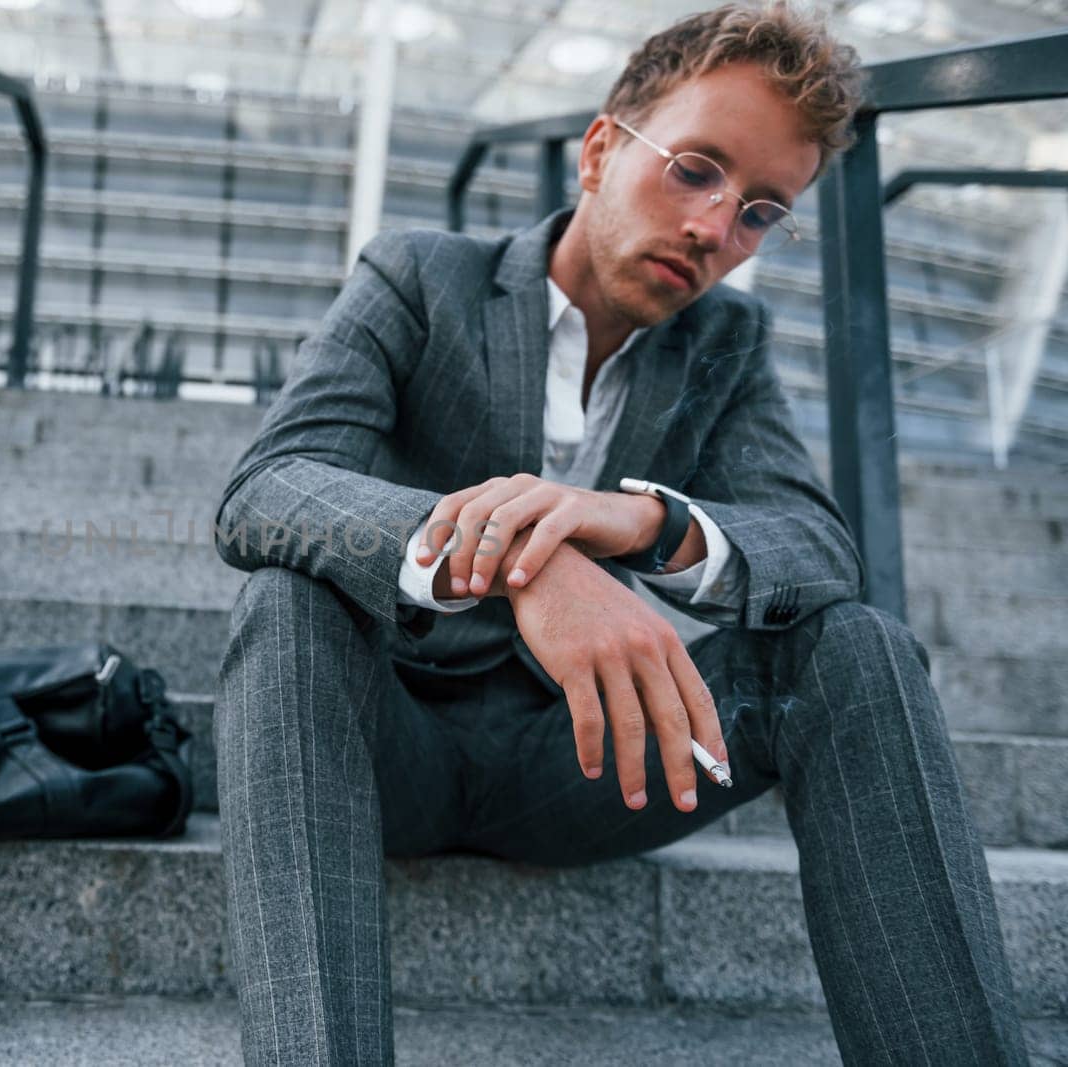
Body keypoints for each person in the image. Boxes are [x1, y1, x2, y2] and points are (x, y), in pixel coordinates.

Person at [209, 2, 1030, 1064]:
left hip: (584, 759)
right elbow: (266, 487)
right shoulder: (420, 280)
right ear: (601, 150)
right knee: (282, 602)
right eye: (695, 169)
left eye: (760, 211)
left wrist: (636, 521)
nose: (714, 230)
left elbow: (817, 549)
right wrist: (524, 565)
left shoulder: (724, 341)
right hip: (381, 740)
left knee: (856, 646)